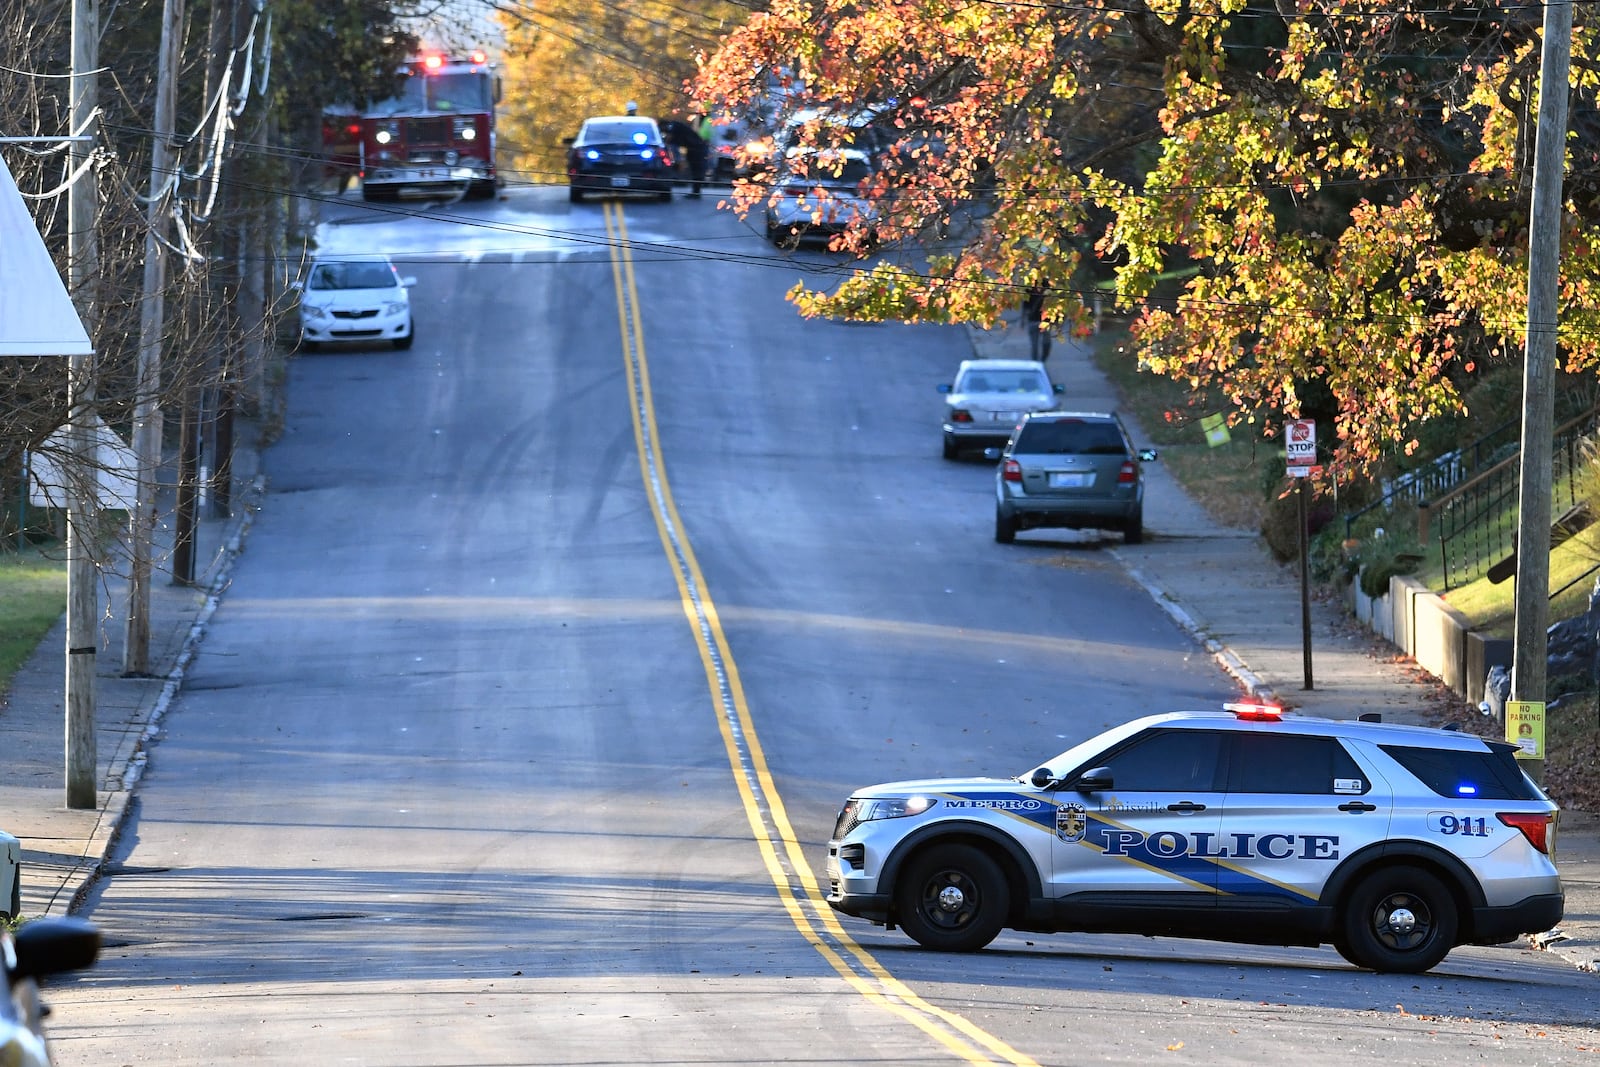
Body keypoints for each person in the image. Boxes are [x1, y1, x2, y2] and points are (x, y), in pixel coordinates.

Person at [682, 112, 712, 198]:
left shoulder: (706, 120)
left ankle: (696, 191)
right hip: (700, 147)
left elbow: (703, 134)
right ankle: (696, 191)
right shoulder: (705, 120)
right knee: (698, 170)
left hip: (699, 147)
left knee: (698, 170)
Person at [1022, 285, 1051, 362]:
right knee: (1045, 342)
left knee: (1035, 344)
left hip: (1034, 320)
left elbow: (1025, 306)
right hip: (1043, 320)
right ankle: (1042, 360)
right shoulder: (1047, 285)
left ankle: (1037, 361)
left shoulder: (1029, 286)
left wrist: (1023, 320)